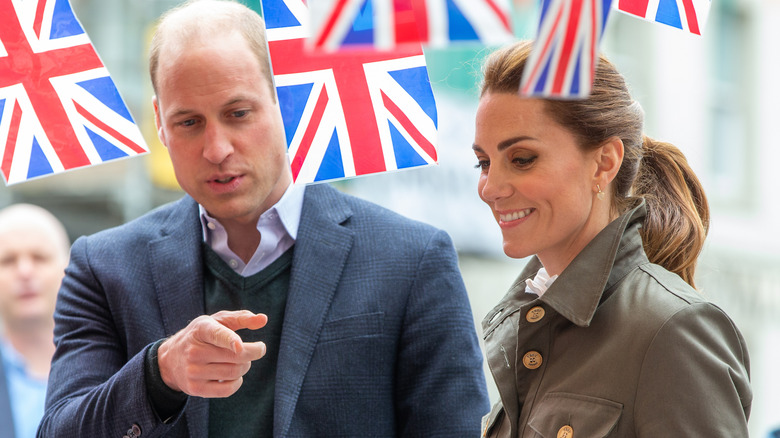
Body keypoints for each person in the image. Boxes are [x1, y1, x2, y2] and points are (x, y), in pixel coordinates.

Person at [38, 1, 489, 437]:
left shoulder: (410, 260)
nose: (216, 149)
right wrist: (161, 372)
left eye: (238, 114)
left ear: (286, 100)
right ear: (159, 122)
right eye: (189, 123)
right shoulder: (103, 267)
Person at [474, 41, 752, 437]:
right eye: (483, 163)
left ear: (604, 162)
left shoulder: (672, 329)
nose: (490, 187)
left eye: (521, 159)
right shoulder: (528, 324)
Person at [0, 204, 70, 438]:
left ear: (68, 269)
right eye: (7, 261)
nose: (25, 271)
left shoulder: (113, 365)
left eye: (39, 258)